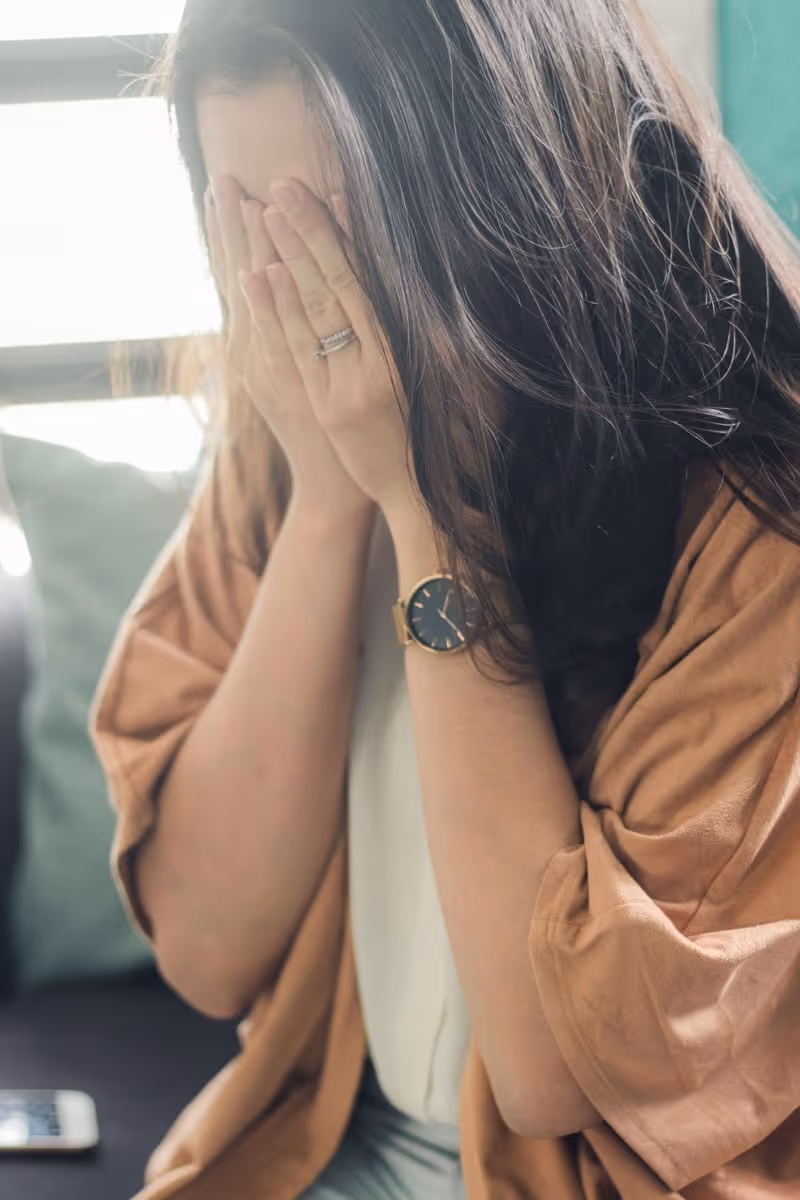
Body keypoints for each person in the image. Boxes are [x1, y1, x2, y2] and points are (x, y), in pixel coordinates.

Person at [90, 0, 800, 1197]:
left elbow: (551, 1069)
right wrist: (326, 501)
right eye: (247, 222)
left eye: (332, 227)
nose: (292, 291)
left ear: (503, 198)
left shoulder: (750, 521)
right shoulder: (289, 428)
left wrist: (426, 516)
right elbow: (209, 952)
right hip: (314, 1143)